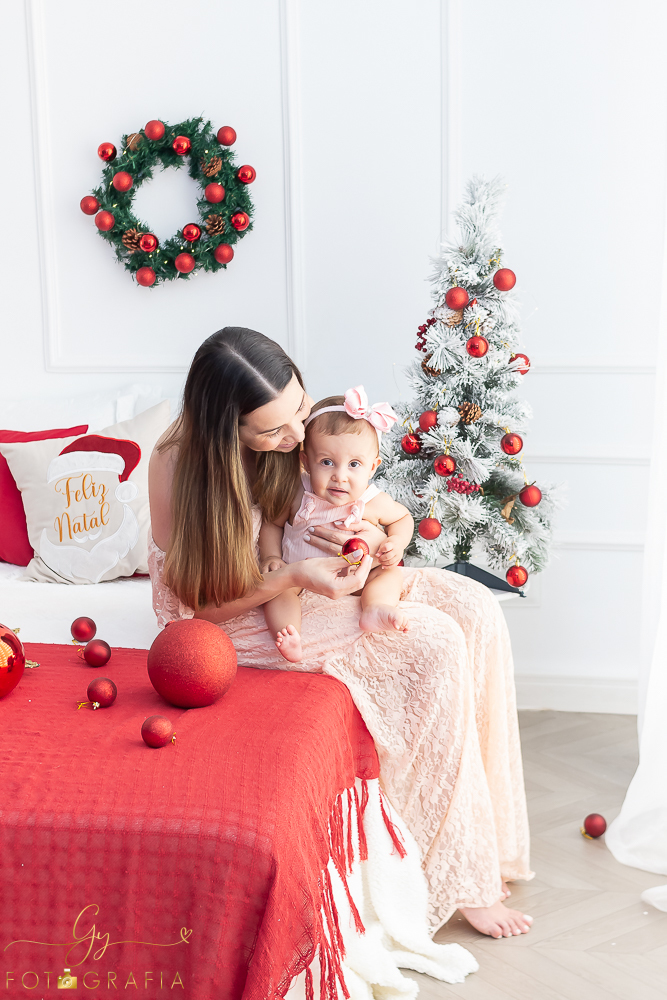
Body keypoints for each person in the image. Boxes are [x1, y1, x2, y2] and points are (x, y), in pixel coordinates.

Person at [147, 326, 534, 938]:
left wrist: (372, 540)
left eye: (298, 409)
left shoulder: (296, 435)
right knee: (433, 642)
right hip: (235, 609)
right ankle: (451, 875)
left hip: (298, 577)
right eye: (271, 432)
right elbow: (201, 605)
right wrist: (296, 576)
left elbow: (357, 502)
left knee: (473, 604)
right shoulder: (176, 466)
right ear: (228, 431)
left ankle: (485, 841)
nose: (296, 437)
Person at [259, 387, 414, 662]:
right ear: (306, 462)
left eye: (354, 464)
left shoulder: (372, 500)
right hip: (301, 579)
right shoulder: (297, 492)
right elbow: (272, 522)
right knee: (277, 590)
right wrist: (271, 556)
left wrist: (396, 542)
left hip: (357, 579)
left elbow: (403, 518)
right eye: (327, 462)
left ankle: (375, 608)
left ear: (373, 467)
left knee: (388, 575)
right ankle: (289, 633)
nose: (340, 476)